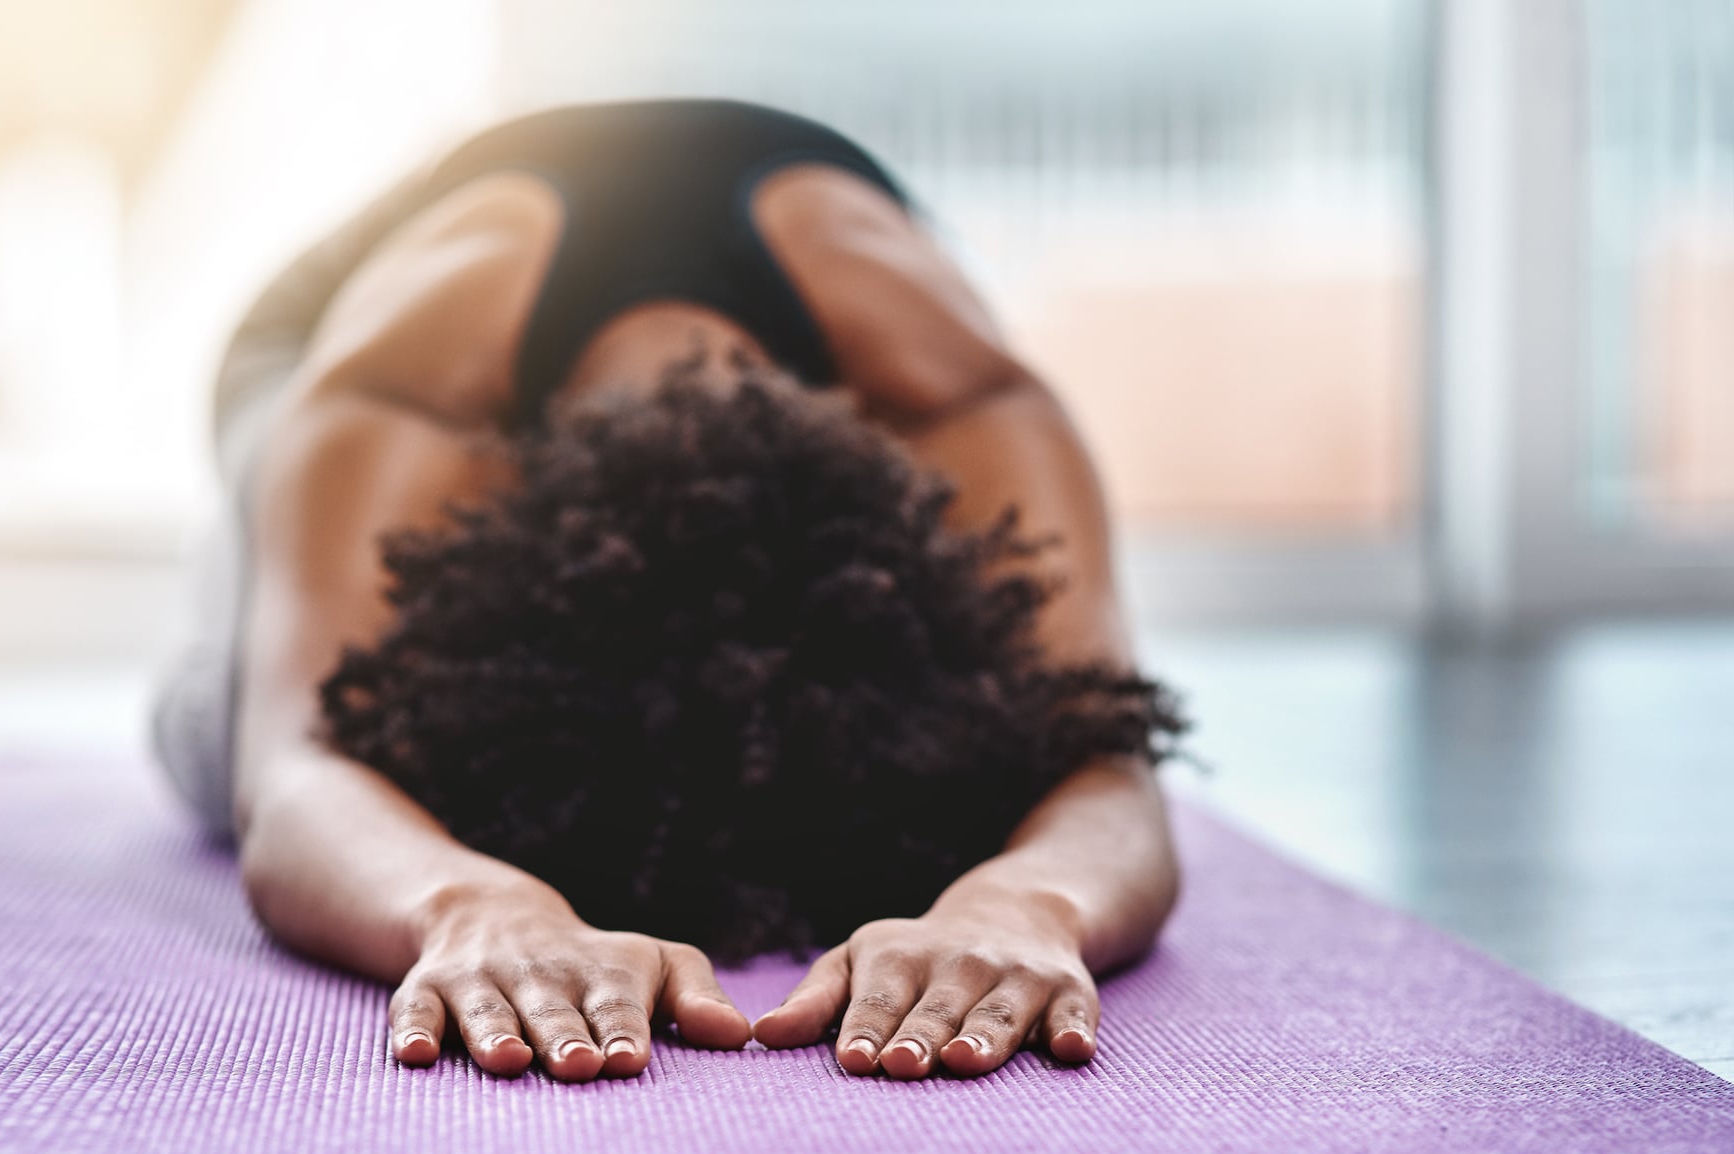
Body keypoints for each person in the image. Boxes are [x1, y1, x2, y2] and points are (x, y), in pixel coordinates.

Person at [151, 98, 1184, 1085]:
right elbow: (292, 771)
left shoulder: (961, 400)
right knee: (227, 718)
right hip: (337, 326)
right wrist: (466, 900)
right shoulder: (404, 395)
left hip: (791, 299)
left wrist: (1026, 901)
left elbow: (1104, 755)